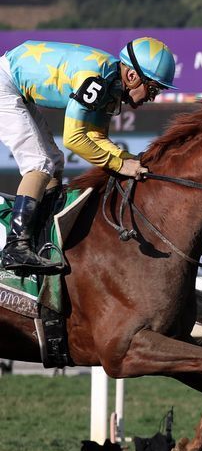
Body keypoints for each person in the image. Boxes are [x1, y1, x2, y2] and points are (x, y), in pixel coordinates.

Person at [0, 37, 175, 275]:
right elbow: (74, 139)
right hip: (6, 83)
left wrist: (131, 159)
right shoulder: (97, 81)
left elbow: (96, 136)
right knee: (39, 163)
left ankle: (40, 240)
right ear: (132, 76)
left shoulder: (112, 82)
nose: (152, 97)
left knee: (54, 162)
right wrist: (121, 165)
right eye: (153, 88)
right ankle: (15, 246)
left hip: (15, 84)